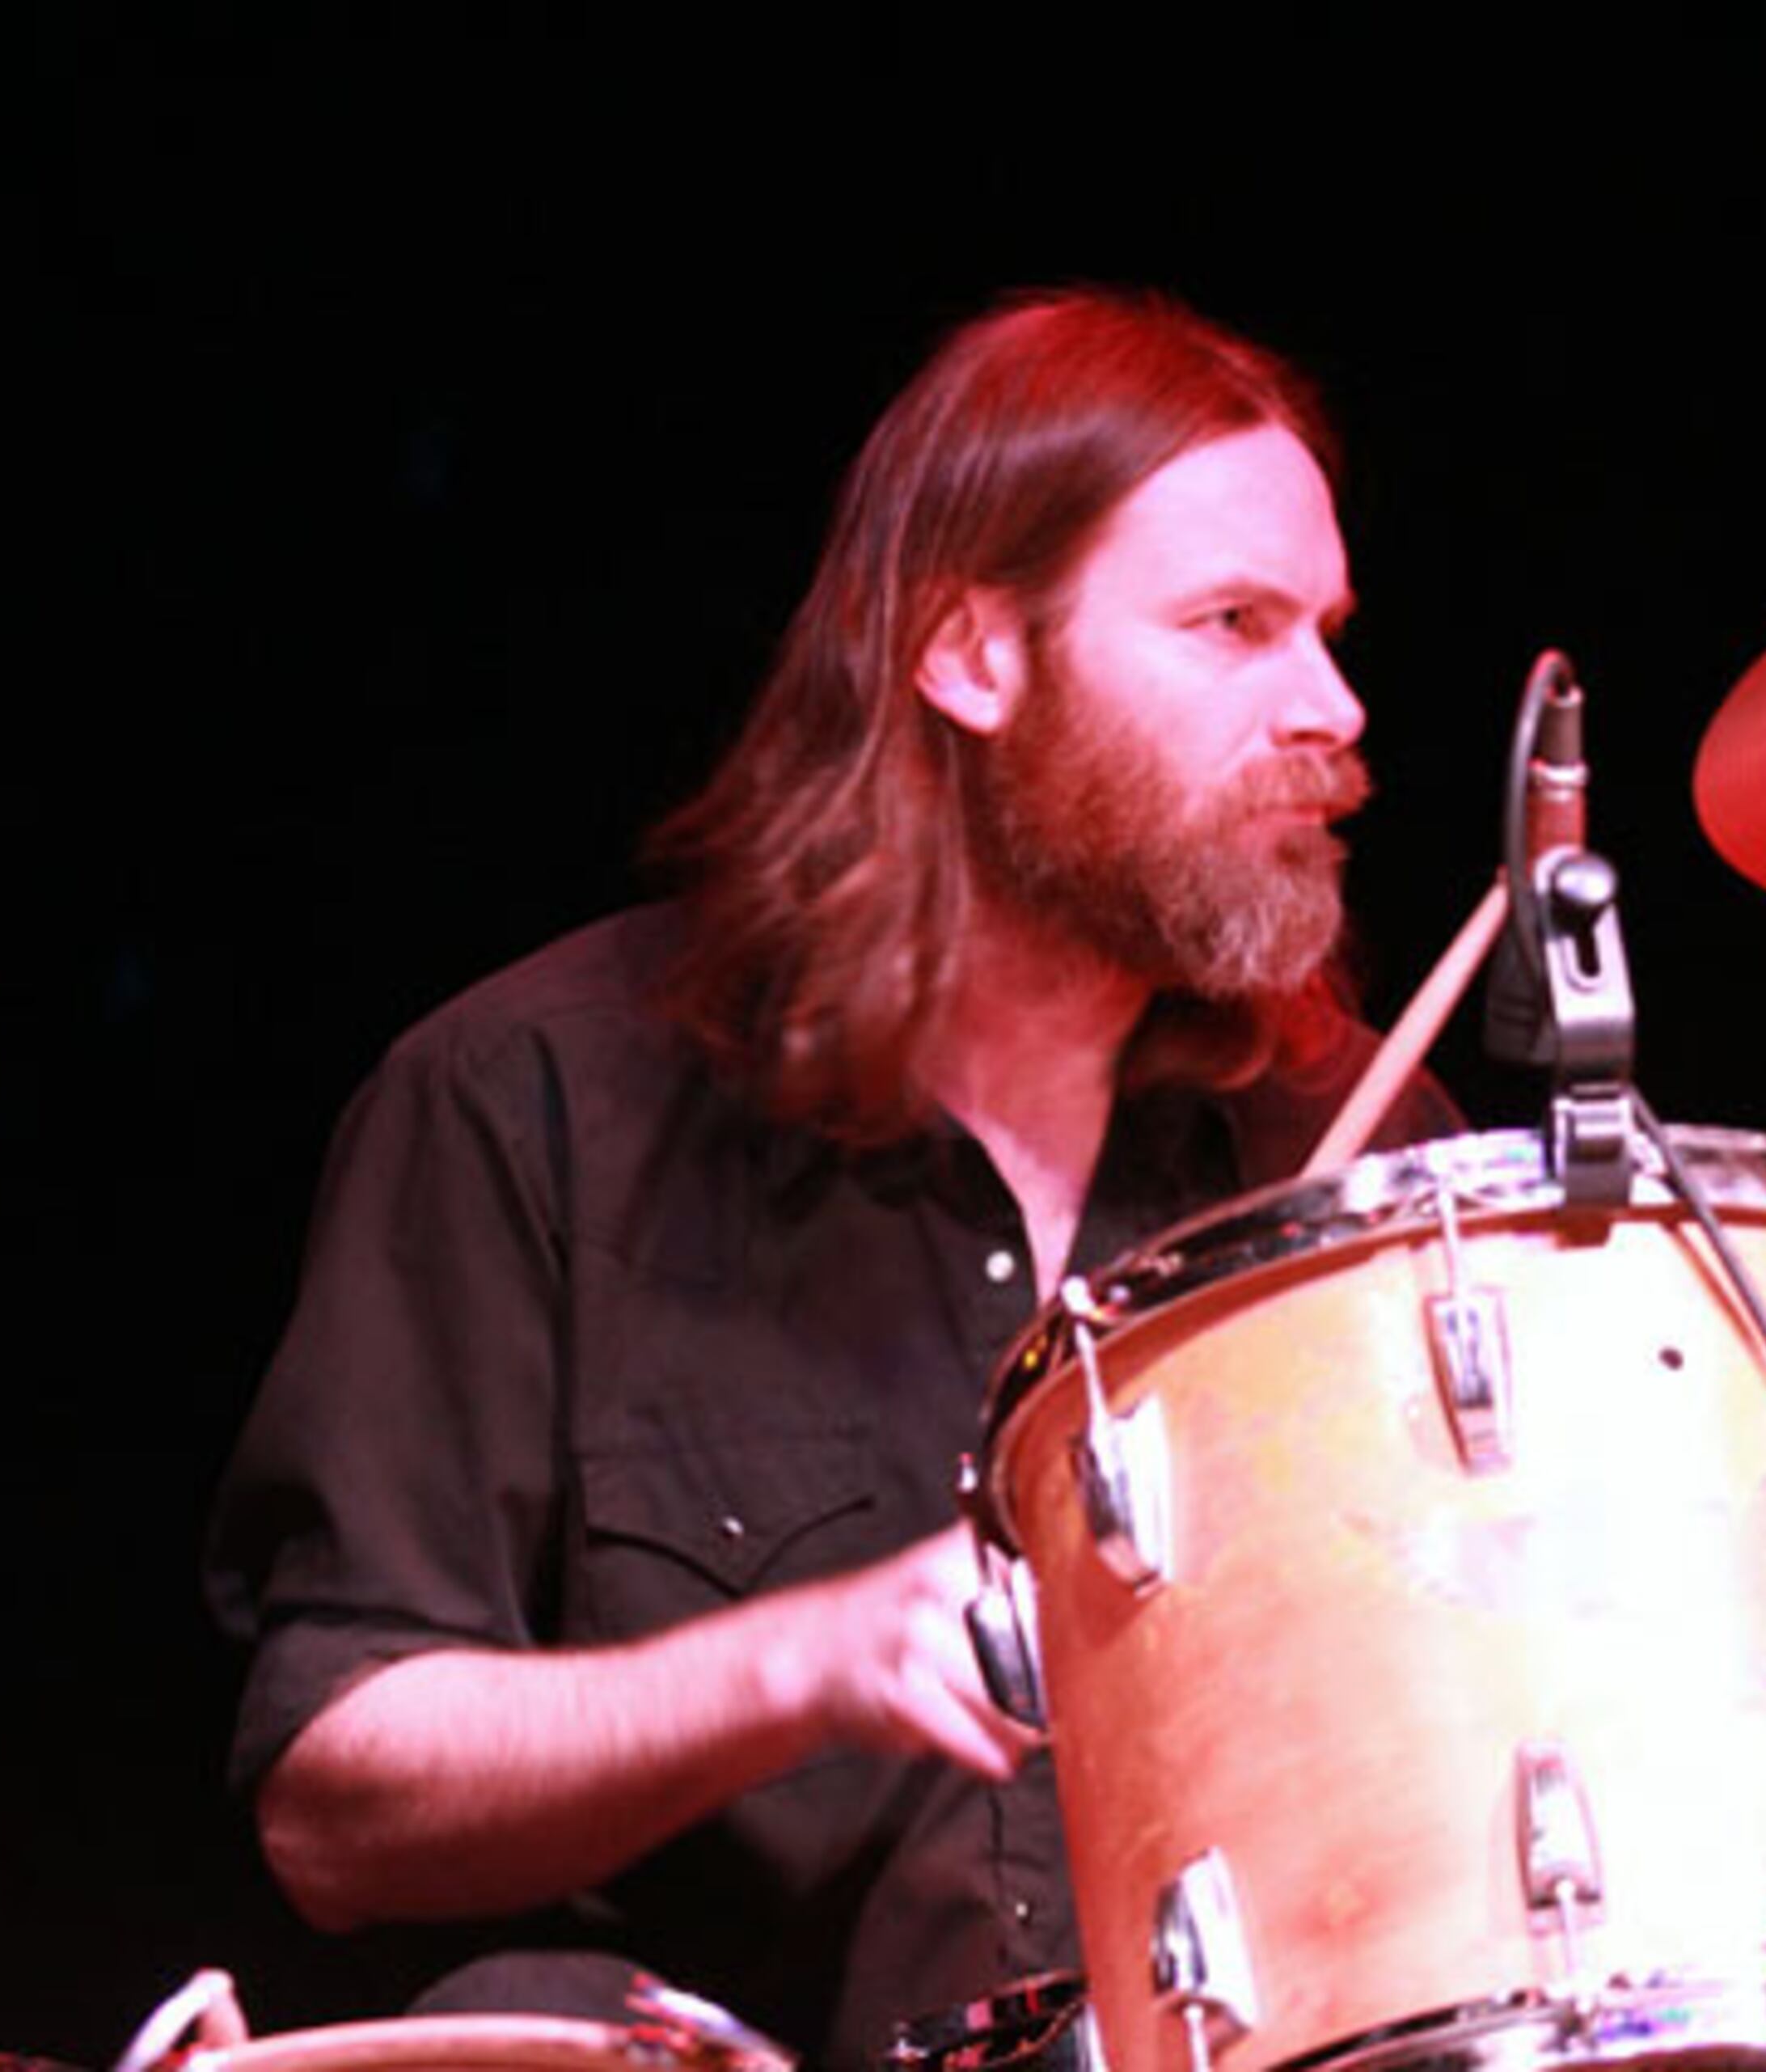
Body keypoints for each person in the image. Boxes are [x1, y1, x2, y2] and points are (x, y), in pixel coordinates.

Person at [205, 287, 1455, 2070]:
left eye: (1327, 630)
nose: (1328, 706)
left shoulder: (1350, 1148)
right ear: (971, 658)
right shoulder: (536, 1102)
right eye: (1233, 626)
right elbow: (334, 1800)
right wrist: (804, 1662)